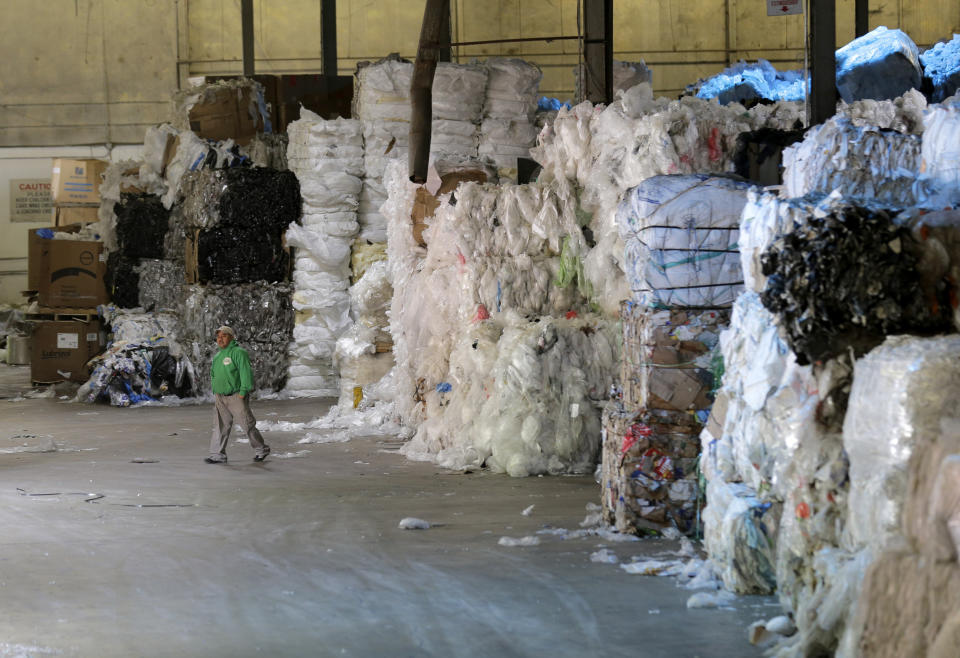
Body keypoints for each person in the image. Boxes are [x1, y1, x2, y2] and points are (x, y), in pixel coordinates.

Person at [205, 326, 270, 464]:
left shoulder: (239, 352)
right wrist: (215, 391)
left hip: (235, 396)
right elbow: (213, 374)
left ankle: (261, 449)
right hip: (220, 397)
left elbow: (245, 372)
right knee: (220, 426)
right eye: (218, 337)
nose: (220, 339)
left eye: (224, 336)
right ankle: (217, 455)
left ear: (231, 337)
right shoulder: (217, 356)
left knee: (247, 424)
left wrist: (243, 391)